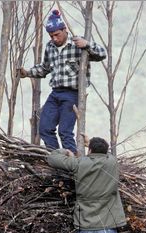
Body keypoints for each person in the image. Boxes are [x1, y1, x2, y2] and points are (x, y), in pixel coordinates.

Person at [18, 10, 106, 154]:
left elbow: (102, 54)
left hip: (72, 93)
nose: (54, 39)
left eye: (57, 34)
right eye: (51, 36)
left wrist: (87, 45)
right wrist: (27, 73)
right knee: (45, 128)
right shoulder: (50, 47)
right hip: (56, 93)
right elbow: (45, 68)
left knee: (65, 131)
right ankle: (57, 157)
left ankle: (72, 162)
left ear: (65, 30)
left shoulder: (78, 44)